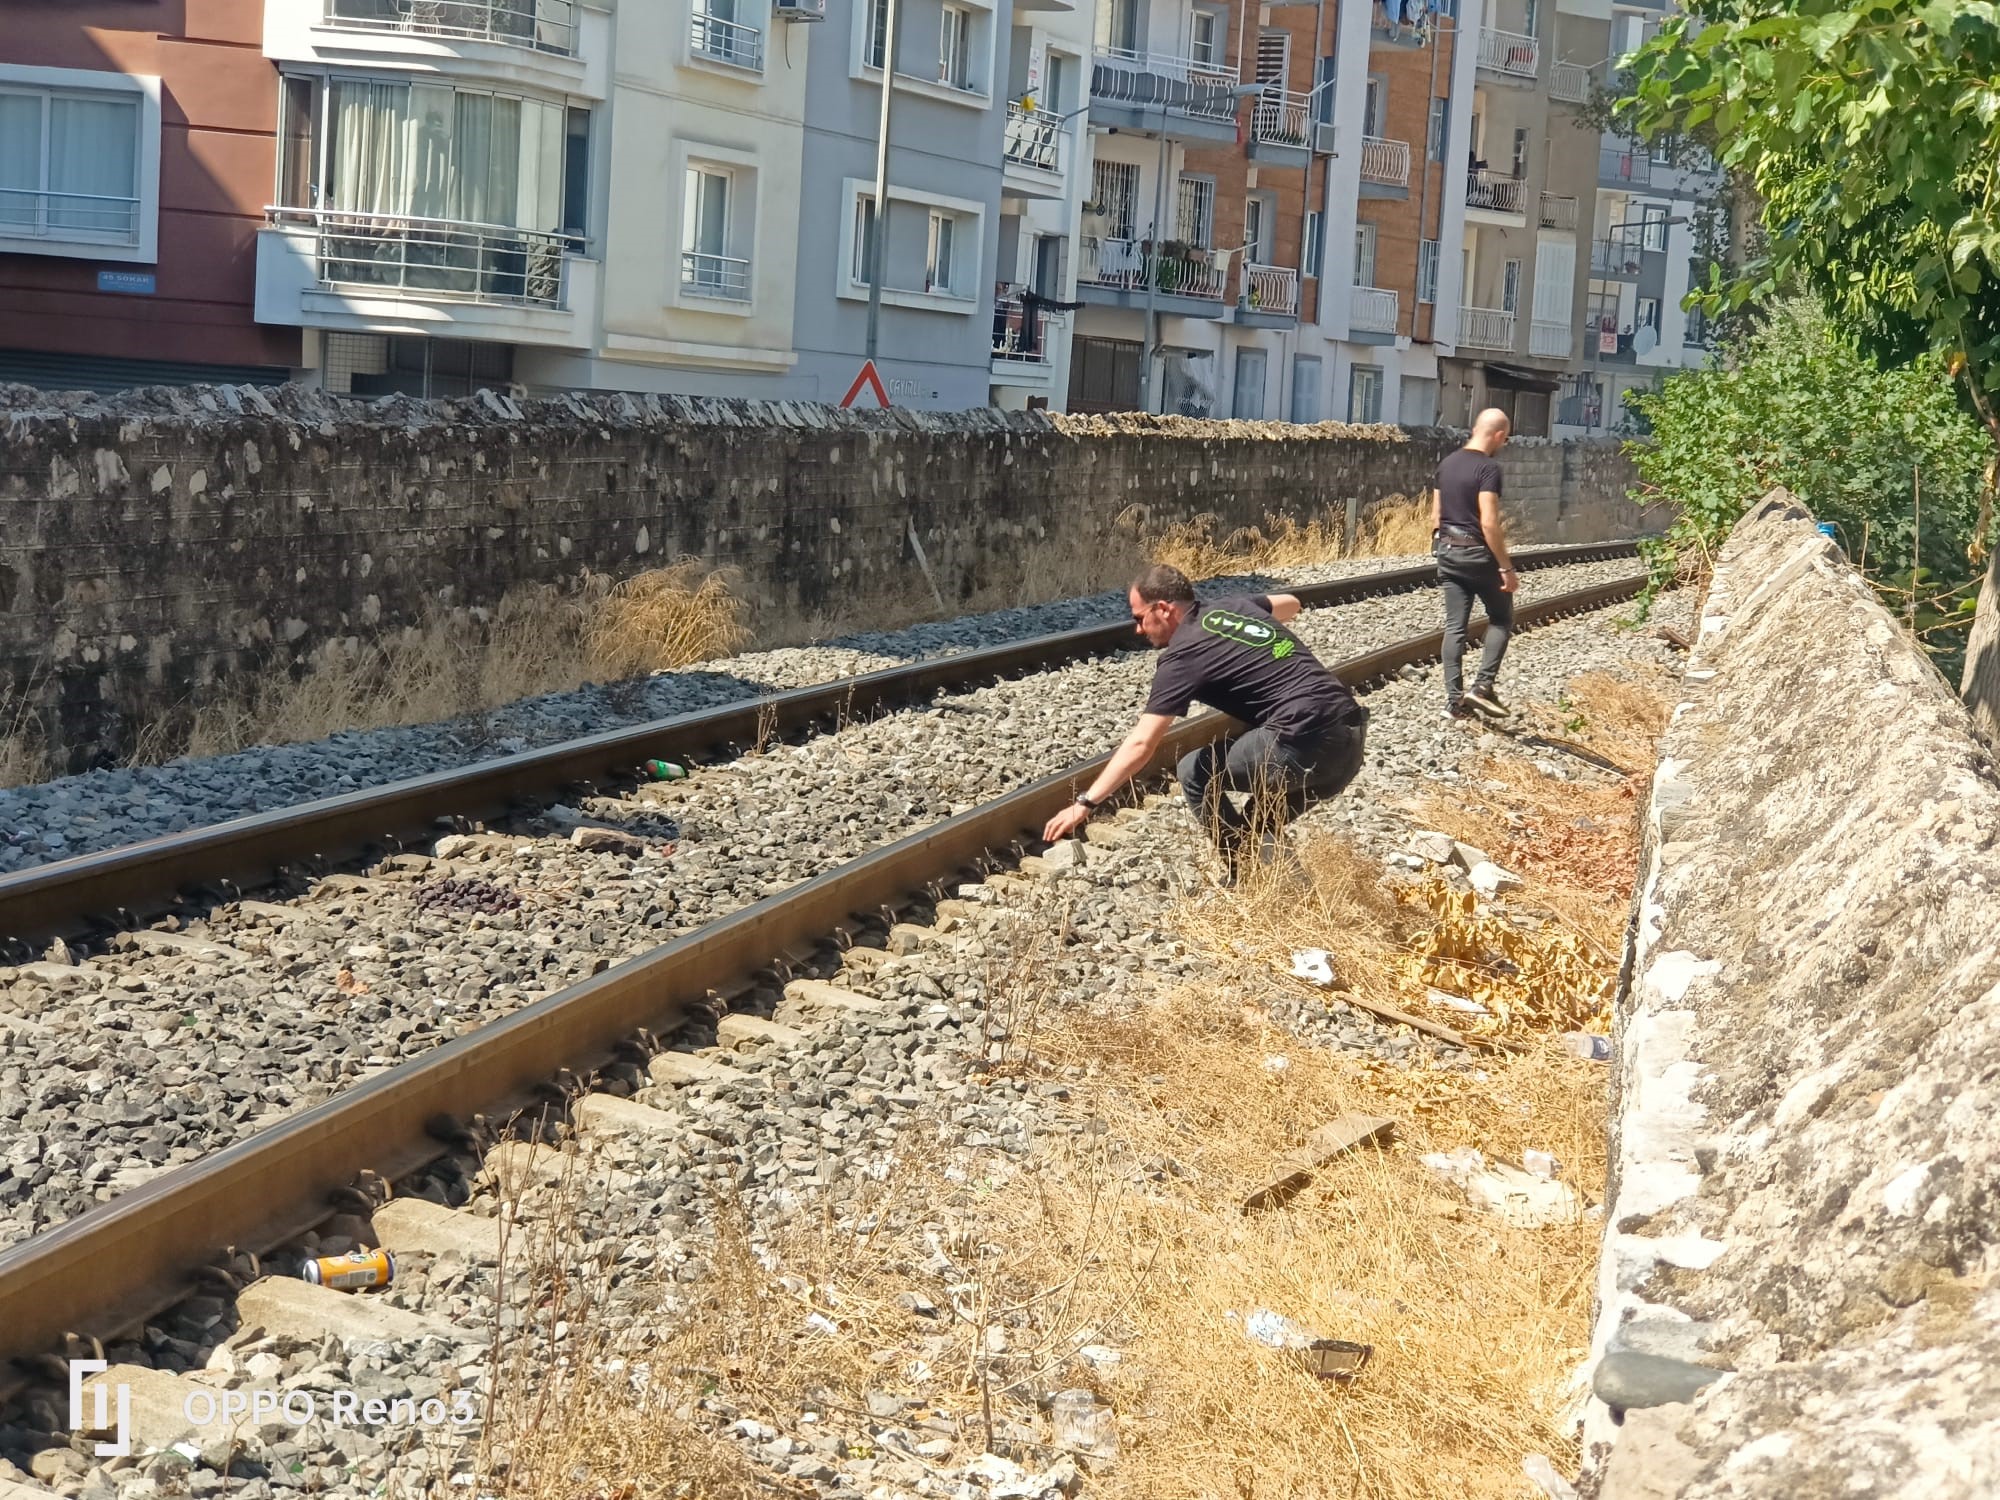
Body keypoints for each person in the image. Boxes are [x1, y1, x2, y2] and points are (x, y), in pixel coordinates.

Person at [1040, 565, 1368, 882]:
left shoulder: (1183, 656)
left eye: (1139, 618)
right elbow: (1291, 604)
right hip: (1350, 741)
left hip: (1304, 743)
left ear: (1164, 609)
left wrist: (1085, 804)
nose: (1138, 629)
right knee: (1260, 820)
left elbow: (1141, 744)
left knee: (1194, 772)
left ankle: (1243, 876)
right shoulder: (1233, 607)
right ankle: (1289, 896)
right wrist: (1247, 634)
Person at [1432, 407, 1516, 720]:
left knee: (1455, 627)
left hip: (1448, 551)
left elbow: (1436, 515)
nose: (1503, 443)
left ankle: (1454, 703)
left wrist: (1440, 548)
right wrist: (1505, 567)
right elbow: (1490, 522)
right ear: (1497, 435)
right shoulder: (1488, 468)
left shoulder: (1447, 463)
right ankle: (1482, 687)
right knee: (1501, 618)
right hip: (1477, 555)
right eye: (1504, 438)